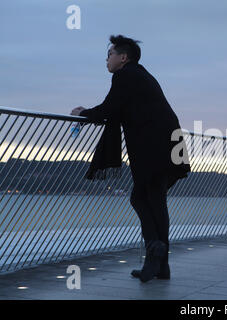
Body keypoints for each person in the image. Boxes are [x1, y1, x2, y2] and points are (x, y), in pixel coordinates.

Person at [71, 35, 190, 282]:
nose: (107, 59)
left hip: (155, 146)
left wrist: (83, 113)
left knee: (144, 198)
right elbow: (118, 107)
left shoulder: (126, 76)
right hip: (167, 142)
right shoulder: (139, 75)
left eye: (110, 54)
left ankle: (155, 252)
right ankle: (160, 262)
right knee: (153, 199)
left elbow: (108, 108)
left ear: (122, 57)